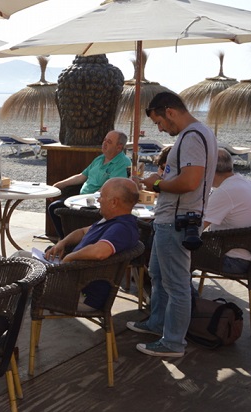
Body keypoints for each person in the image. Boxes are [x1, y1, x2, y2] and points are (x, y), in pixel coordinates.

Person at [128, 91, 217, 358]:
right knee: (157, 274)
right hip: (172, 219)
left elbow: (190, 182)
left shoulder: (190, 137)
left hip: (177, 222)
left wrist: (155, 184)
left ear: (169, 111)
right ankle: (158, 323)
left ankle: (173, 342)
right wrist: (160, 179)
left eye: (159, 122)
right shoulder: (200, 134)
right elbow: (186, 177)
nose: (160, 128)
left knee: (176, 284)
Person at [33, 178, 140, 310]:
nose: (98, 200)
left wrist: (70, 257)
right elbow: (82, 232)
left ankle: (8, 319)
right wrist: (62, 243)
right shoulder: (111, 220)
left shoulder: (121, 229)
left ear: (114, 202)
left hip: (79, 294)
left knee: (20, 272)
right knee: (21, 259)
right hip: (70, 280)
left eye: (101, 196)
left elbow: (99, 252)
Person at [47, 130, 131, 239]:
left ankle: (69, 243)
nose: (104, 143)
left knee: (66, 213)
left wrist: (92, 196)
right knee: (54, 207)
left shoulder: (122, 163)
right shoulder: (100, 158)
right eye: (104, 140)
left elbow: (110, 188)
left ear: (119, 147)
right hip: (81, 198)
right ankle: (64, 242)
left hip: (97, 204)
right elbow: (82, 176)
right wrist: (59, 185)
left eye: (109, 142)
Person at [201, 147, 251, 273]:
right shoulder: (243, 182)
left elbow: (198, 227)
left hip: (234, 261)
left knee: (177, 250)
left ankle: (184, 291)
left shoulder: (225, 191)